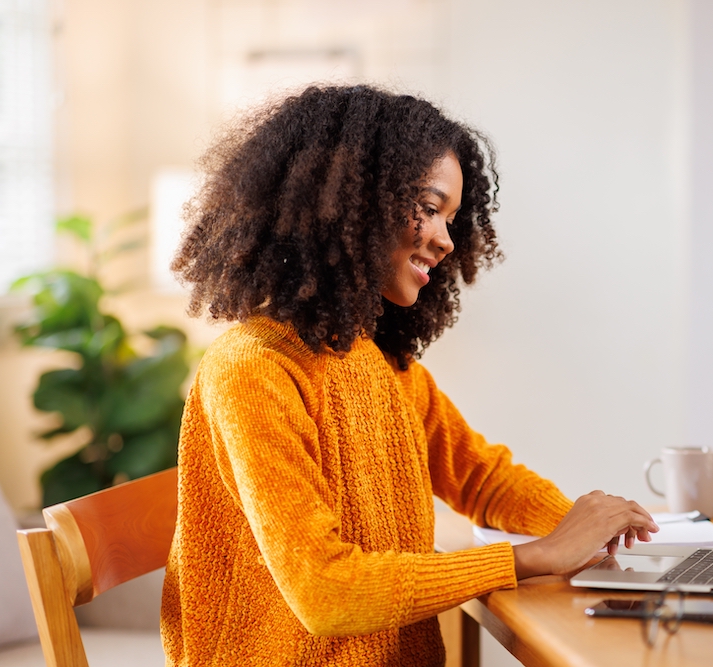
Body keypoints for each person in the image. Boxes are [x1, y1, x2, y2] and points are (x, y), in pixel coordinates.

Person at [161, 84, 658, 667]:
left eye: (451, 217)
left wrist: (592, 534)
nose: (447, 240)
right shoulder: (251, 369)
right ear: (352, 203)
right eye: (428, 207)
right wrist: (536, 556)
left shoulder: (381, 365)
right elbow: (326, 592)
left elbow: (484, 481)